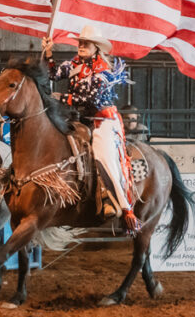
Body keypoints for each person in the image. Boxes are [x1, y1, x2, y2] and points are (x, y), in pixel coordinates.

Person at [42, 26, 139, 232]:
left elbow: (91, 98)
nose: (82, 46)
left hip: (102, 119)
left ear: (96, 47)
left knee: (103, 156)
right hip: (81, 117)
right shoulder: (74, 64)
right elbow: (53, 74)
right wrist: (49, 53)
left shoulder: (102, 69)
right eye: (80, 43)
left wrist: (61, 97)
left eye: (86, 43)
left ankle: (117, 202)